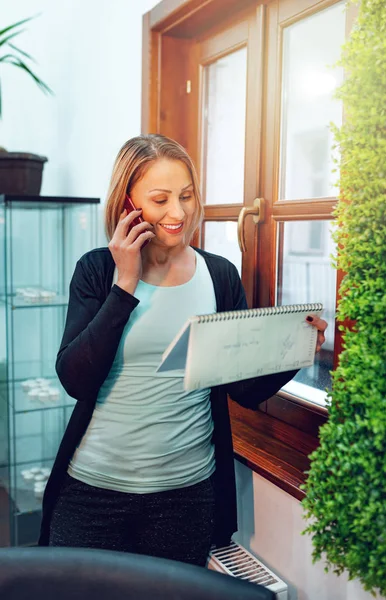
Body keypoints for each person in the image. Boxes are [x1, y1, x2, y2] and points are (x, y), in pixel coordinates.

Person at [39, 134, 327, 566]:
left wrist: (299, 346)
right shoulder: (97, 271)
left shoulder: (220, 276)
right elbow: (75, 379)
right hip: (93, 492)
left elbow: (245, 388)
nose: (178, 212)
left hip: (186, 495)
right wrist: (125, 284)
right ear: (127, 205)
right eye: (160, 199)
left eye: (187, 196)